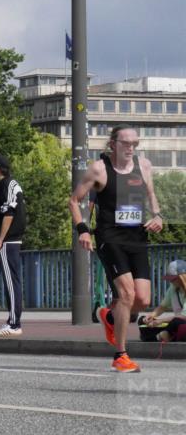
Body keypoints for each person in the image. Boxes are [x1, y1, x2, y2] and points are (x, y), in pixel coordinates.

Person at [70, 126, 164, 373]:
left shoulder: (144, 166)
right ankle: (120, 355)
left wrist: (158, 216)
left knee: (143, 299)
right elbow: (74, 200)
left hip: (137, 237)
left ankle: (110, 317)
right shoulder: (99, 169)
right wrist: (83, 229)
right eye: (125, 143)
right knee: (126, 295)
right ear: (113, 144)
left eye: (134, 143)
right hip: (109, 238)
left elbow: (151, 195)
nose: (130, 147)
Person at [0, 155, 27, 337]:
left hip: (8, 240)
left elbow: (9, 213)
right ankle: (12, 320)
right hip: (12, 240)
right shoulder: (11, 185)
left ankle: (13, 323)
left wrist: (0, 239)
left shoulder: (6, 185)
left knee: (11, 282)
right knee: (13, 281)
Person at [142, 260, 186, 343]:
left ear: (182, 277)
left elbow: (183, 317)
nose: (170, 281)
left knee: (177, 322)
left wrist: (160, 320)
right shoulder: (173, 288)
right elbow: (163, 307)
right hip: (175, 324)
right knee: (142, 320)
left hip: (180, 322)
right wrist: (151, 316)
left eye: (173, 279)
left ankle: (160, 336)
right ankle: (165, 335)